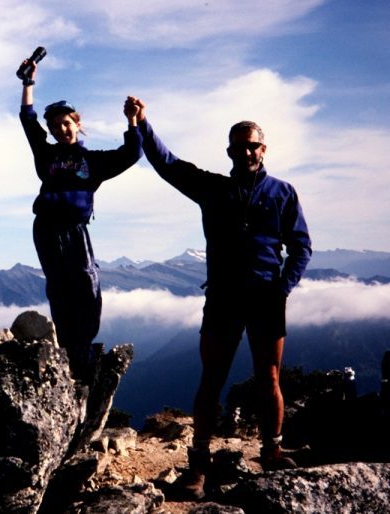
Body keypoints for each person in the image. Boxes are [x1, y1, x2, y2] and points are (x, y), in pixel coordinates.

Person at [130, 98, 311, 498]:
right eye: (240, 145)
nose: (247, 151)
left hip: (267, 297)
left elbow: (301, 246)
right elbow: (169, 165)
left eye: (254, 145)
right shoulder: (213, 188)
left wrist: (282, 287)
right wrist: (142, 124)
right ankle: (198, 467)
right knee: (211, 380)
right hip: (224, 298)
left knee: (270, 378)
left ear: (264, 149)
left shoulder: (283, 193)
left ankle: (272, 451)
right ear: (229, 150)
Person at [19, 60, 143, 382]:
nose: (61, 130)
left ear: (77, 123)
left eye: (66, 123)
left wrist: (133, 121)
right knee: (60, 289)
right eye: (55, 126)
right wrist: (28, 84)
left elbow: (131, 154)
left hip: (75, 230)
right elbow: (28, 120)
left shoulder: (93, 161)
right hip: (46, 229)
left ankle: (82, 352)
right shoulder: (46, 155)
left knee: (87, 288)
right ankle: (70, 356)